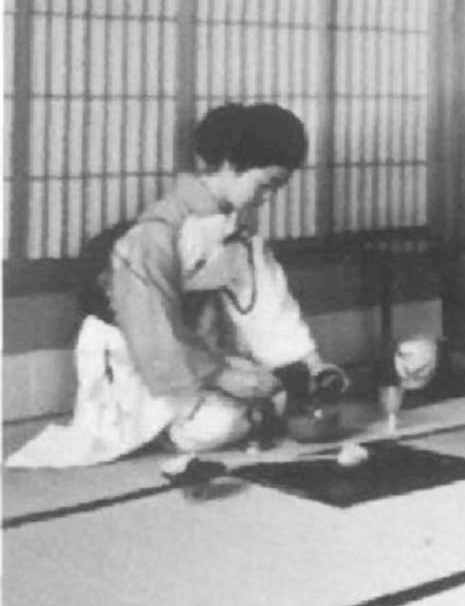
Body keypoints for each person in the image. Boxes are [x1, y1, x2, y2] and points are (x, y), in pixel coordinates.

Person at [6, 102, 340, 468]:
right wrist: (223, 375)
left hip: (193, 347)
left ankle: (198, 411)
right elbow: (149, 326)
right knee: (219, 425)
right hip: (131, 352)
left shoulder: (238, 232)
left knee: (272, 393)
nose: (269, 197)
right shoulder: (156, 233)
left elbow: (266, 304)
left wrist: (308, 367)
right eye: (266, 184)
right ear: (229, 166)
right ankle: (166, 426)